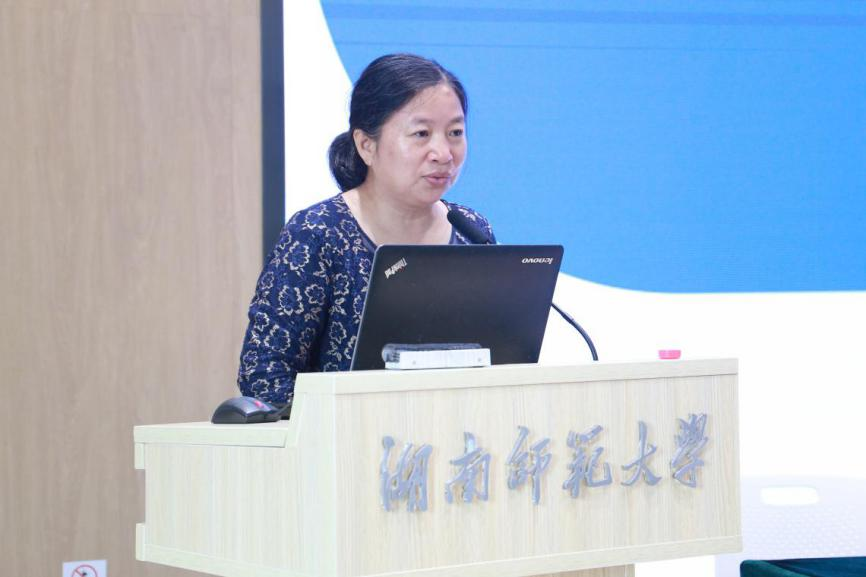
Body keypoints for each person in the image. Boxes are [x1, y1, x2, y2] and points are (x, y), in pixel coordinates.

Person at [237, 53, 495, 403]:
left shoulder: (471, 231)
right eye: (421, 133)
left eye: (455, 133)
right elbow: (263, 376)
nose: (443, 153)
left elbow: (496, 361)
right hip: (344, 435)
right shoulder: (318, 233)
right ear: (366, 145)